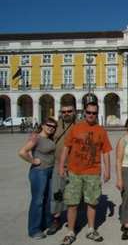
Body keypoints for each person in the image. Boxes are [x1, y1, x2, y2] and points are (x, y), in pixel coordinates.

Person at [59, 102, 112, 245]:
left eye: (94, 113)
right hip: (74, 171)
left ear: (97, 113)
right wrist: (61, 166)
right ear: (84, 113)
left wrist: (108, 170)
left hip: (93, 172)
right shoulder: (76, 128)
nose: (91, 115)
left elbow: (106, 152)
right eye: (88, 112)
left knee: (92, 202)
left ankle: (90, 229)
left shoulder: (101, 131)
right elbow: (66, 147)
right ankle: (70, 232)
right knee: (72, 203)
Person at [18, 118, 58, 239]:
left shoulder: (50, 138)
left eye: (53, 126)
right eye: (48, 125)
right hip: (39, 172)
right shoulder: (36, 137)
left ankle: (46, 223)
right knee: (38, 200)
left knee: (48, 199)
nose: (51, 127)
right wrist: (33, 160)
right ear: (42, 125)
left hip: (50, 171)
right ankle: (34, 229)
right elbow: (22, 152)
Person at [47, 104, 77, 236]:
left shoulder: (79, 125)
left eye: (69, 111)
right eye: (64, 111)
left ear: (74, 112)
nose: (66, 113)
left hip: (75, 166)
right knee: (57, 192)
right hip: (58, 164)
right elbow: (41, 135)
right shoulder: (55, 126)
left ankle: (74, 220)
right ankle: (56, 219)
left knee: (75, 194)